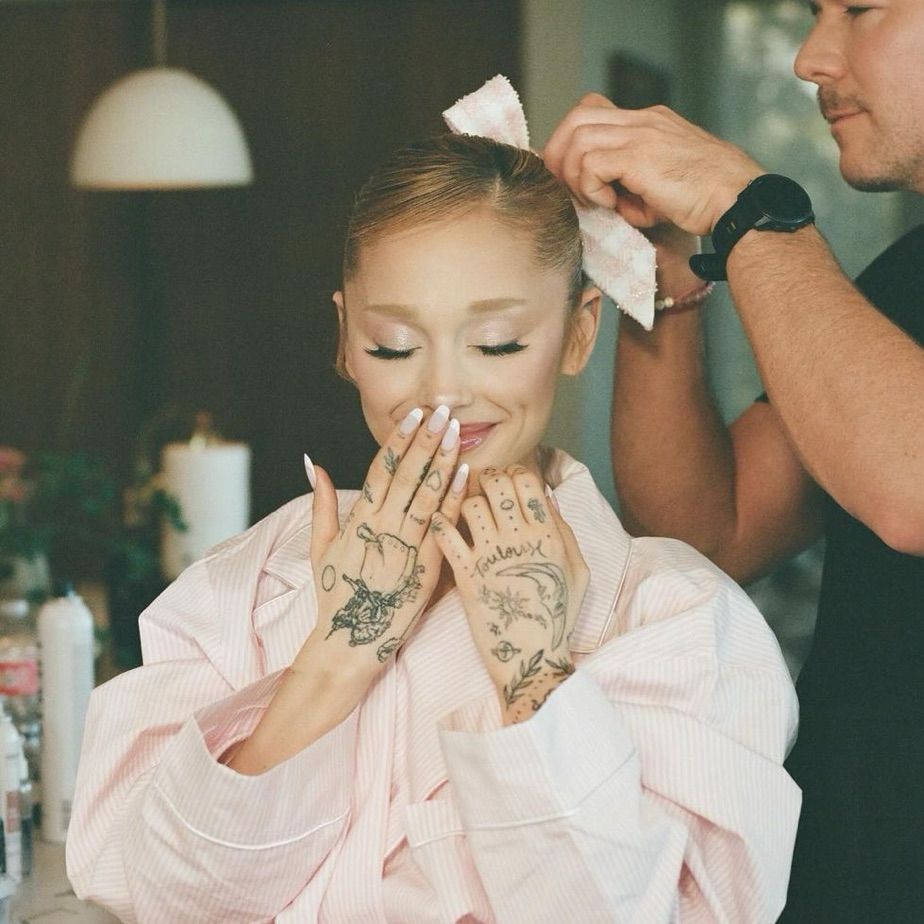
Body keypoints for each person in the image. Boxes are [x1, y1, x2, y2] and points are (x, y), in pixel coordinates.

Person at [66, 132, 799, 923]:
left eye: (497, 343)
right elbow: (156, 896)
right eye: (396, 345)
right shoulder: (240, 587)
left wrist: (535, 685)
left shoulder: (682, 623)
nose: (443, 388)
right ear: (346, 337)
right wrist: (333, 660)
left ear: (580, 331)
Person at [543, 2, 924, 921]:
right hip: (841, 871)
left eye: (860, 9)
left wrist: (745, 202)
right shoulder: (907, 278)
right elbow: (708, 526)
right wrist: (667, 268)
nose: (809, 56)